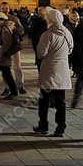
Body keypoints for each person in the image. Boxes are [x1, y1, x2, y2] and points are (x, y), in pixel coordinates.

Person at [33, 8, 73, 137]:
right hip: (62, 69)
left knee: (44, 100)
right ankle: (60, 127)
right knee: (60, 101)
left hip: (49, 69)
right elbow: (70, 50)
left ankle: (43, 125)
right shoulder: (67, 33)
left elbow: (41, 53)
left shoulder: (47, 34)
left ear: (50, 20)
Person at [0, 12, 20, 99]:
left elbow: (6, 44)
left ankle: (13, 92)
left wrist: (0, 53)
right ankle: (13, 92)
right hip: (2, 56)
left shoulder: (4, 29)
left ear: (1, 20)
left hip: (3, 57)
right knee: (5, 75)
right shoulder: (0, 28)